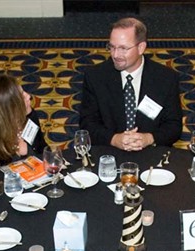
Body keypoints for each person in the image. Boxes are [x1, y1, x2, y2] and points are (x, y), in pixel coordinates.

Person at [78, 17, 182, 152]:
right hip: (109, 151)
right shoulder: (95, 76)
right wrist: (114, 139)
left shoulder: (166, 78)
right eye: (112, 47)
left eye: (123, 48)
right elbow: (87, 123)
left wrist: (148, 139)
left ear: (141, 47)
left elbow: (174, 127)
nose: (115, 55)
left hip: (151, 152)